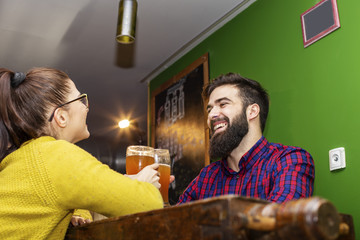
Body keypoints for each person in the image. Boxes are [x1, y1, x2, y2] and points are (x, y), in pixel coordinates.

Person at [0, 67, 163, 239]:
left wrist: (80, 212)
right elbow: (148, 204)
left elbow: (62, 193)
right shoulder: (58, 155)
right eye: (81, 99)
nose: (87, 107)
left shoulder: (29, 157)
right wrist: (145, 183)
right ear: (61, 117)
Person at [178, 73, 315, 204]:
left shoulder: (289, 160)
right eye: (209, 110)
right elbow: (172, 224)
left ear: (252, 111)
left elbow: (279, 220)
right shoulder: (206, 177)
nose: (211, 115)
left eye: (223, 104)